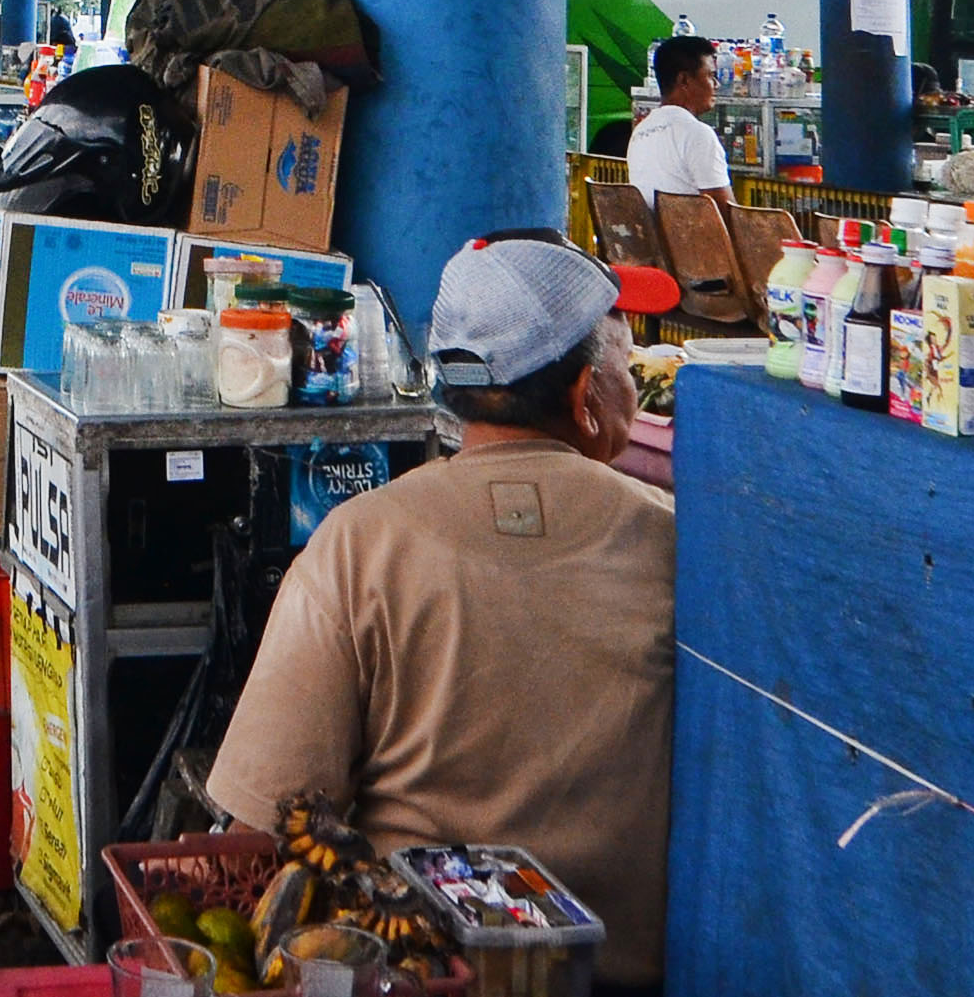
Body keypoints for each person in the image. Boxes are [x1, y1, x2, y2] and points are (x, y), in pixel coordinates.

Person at [205, 238, 678, 993]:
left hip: (419, 970)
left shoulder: (360, 542)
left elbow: (264, 821)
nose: (635, 378)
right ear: (587, 392)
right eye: (626, 355)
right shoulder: (674, 540)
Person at [627, 35, 734, 204]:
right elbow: (728, 214)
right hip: (694, 230)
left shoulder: (640, 131)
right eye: (710, 75)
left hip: (652, 230)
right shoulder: (697, 135)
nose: (716, 84)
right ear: (684, 80)